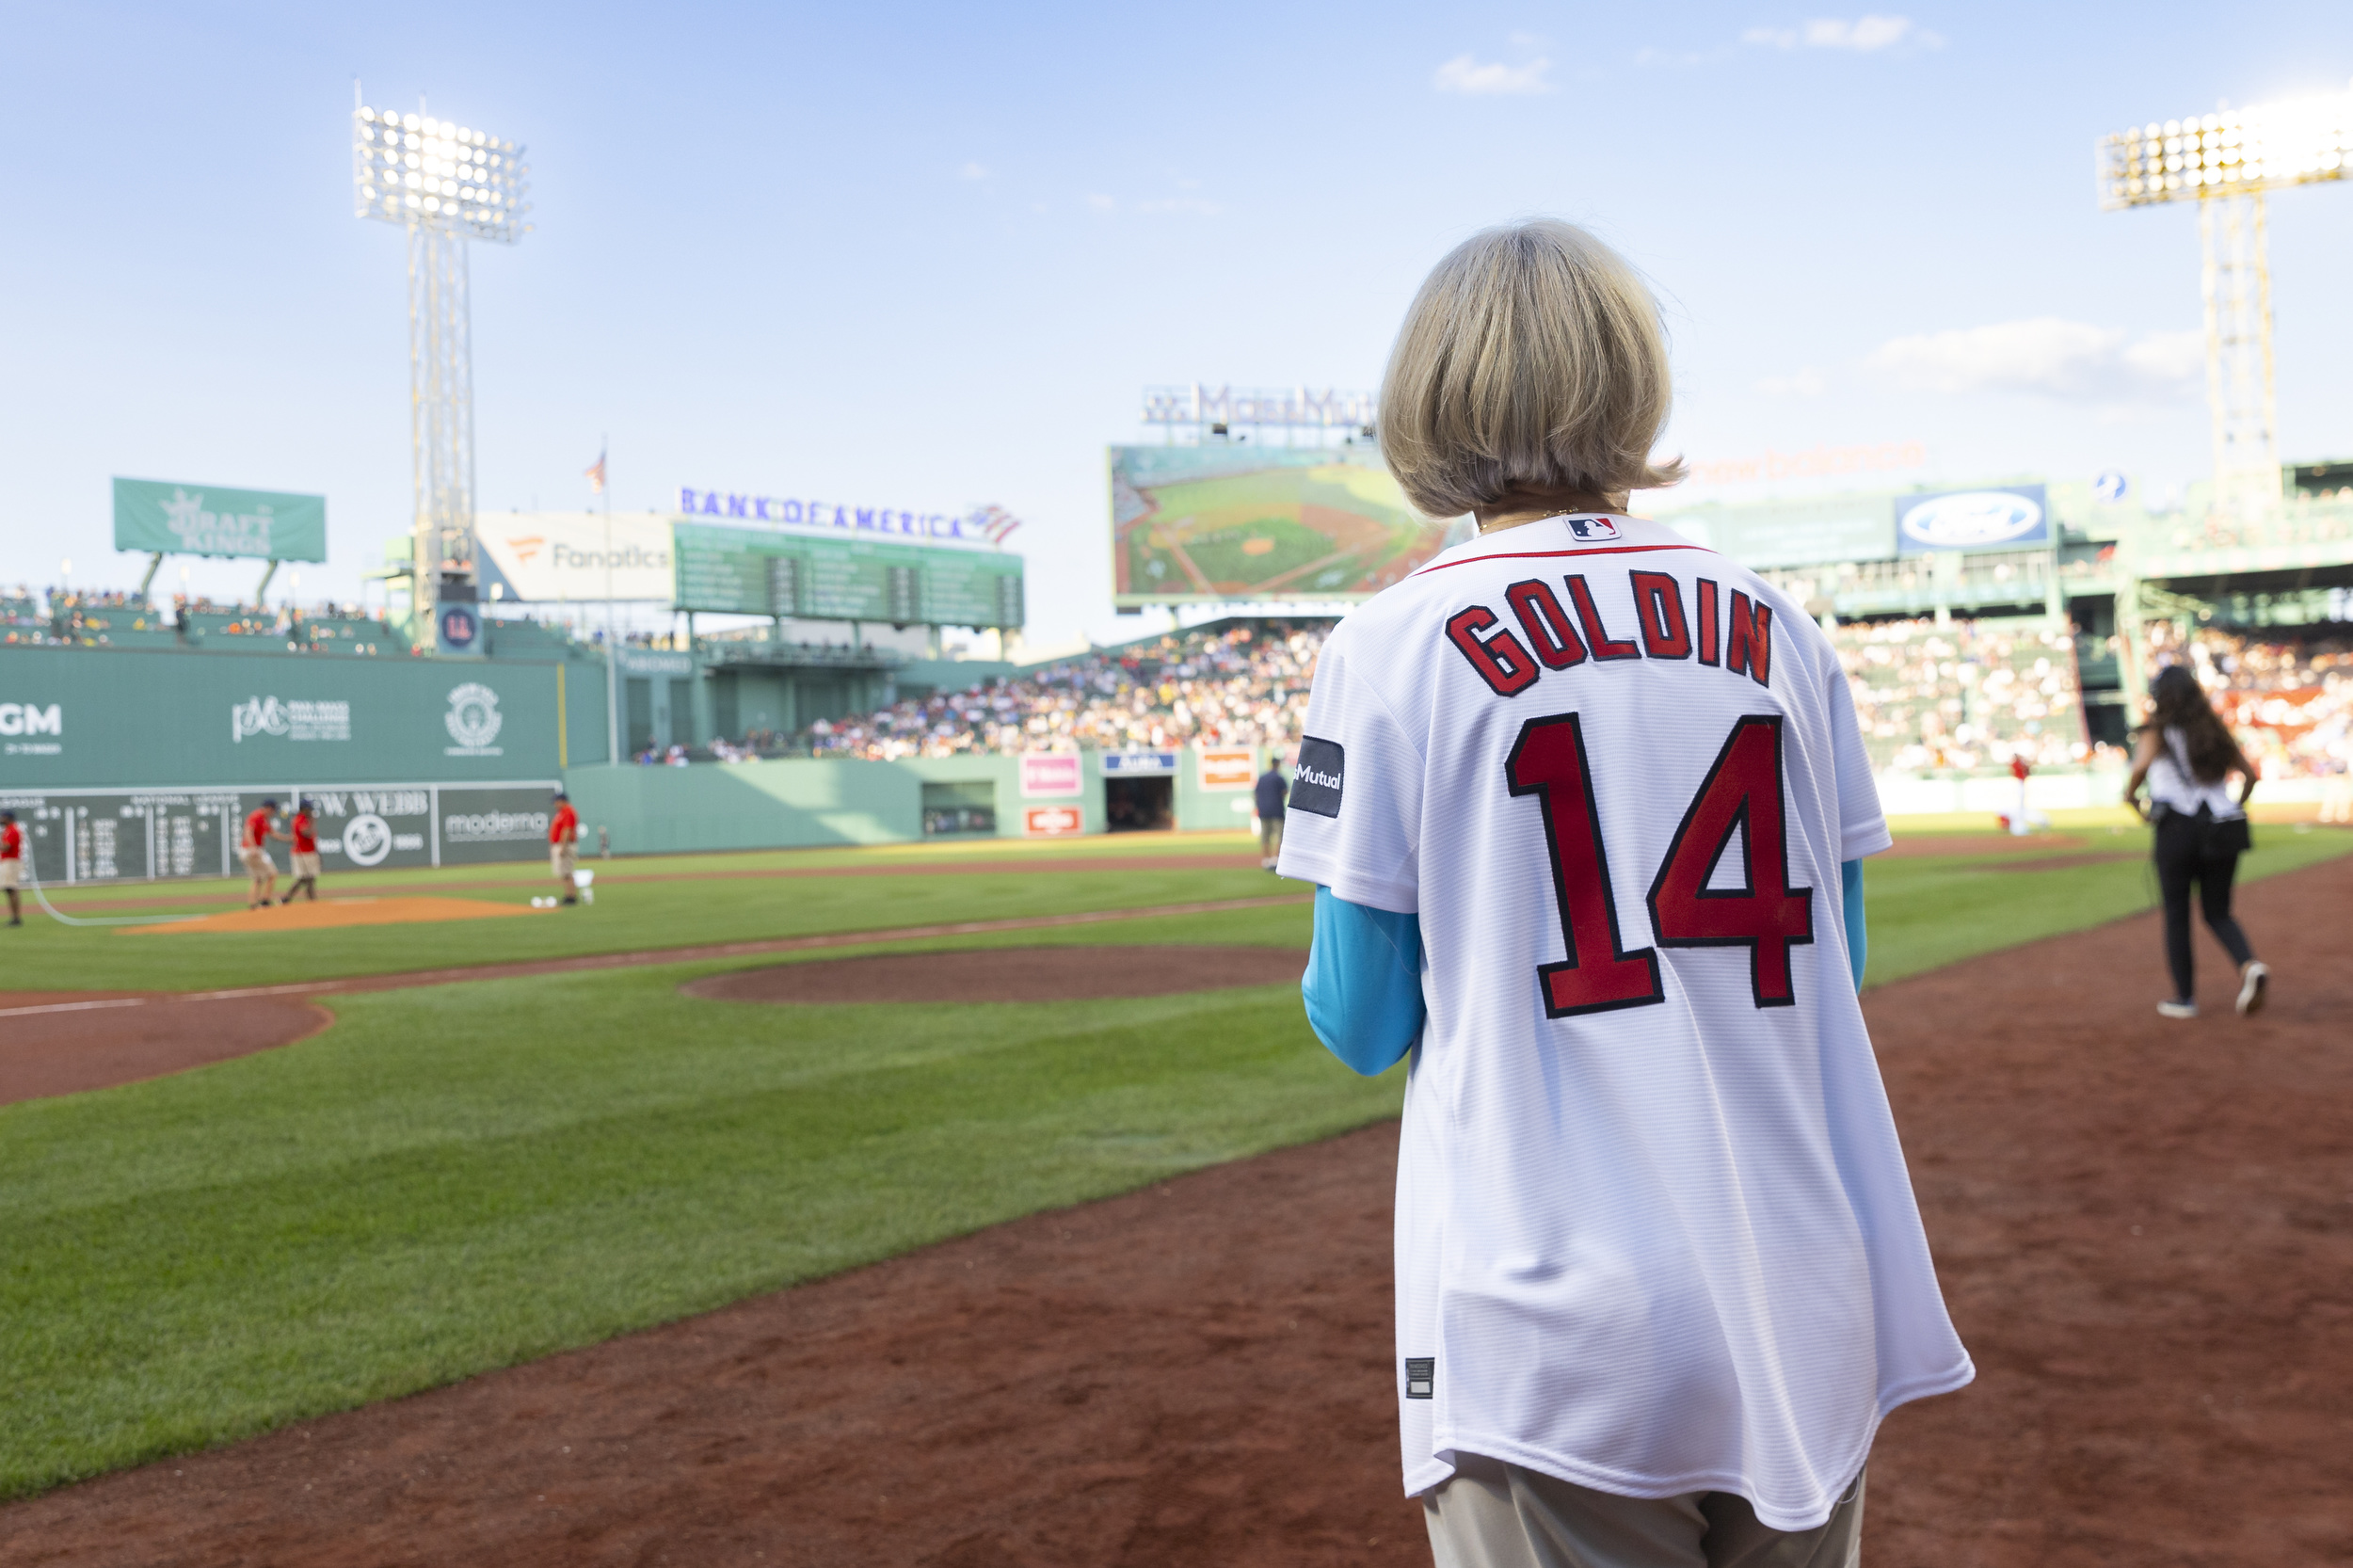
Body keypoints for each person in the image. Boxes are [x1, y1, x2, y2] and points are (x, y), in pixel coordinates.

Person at [1279, 220, 1971, 1568]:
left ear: (1429, 399)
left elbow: (1358, 1021)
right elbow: (1842, 960)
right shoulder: (1777, 621)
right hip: (1795, 1289)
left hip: (1553, 1321)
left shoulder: (1389, 641)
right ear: (1632, 384)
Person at [2122, 664, 2268, 1019]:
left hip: (2177, 827)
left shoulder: (2156, 731)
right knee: (2218, 912)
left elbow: (2139, 771)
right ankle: (2249, 965)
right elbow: (2249, 776)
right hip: (2222, 825)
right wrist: (2232, 805)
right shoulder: (2215, 729)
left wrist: (2132, 802)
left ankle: (2184, 999)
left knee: (2177, 915)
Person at [240, 798, 284, 909]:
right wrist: (253, 847)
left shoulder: (264, 819)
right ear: (269, 808)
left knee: (258, 878)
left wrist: (289, 838)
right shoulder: (256, 816)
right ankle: (265, 901)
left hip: (253, 850)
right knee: (272, 874)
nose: (274, 812)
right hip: (252, 850)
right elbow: (248, 831)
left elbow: (273, 834)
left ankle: (254, 904)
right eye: (273, 810)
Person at [282, 797, 322, 904]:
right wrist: (313, 822)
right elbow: (306, 832)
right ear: (304, 809)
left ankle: (287, 898)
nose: (311, 810)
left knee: (307, 878)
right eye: (309, 808)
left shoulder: (305, 819)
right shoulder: (300, 819)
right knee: (306, 878)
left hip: (308, 851)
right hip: (302, 852)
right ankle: (311, 901)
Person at [1254, 754, 1289, 870]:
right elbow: (1284, 792)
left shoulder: (1263, 778)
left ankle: (1266, 860)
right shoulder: (1279, 778)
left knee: (1265, 837)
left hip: (1264, 811)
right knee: (1279, 836)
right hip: (1276, 810)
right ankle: (1275, 860)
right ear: (1277, 764)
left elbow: (1256, 794)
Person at [550, 790, 581, 905]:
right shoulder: (562, 812)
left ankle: (571, 897)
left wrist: (563, 846)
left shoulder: (568, 811)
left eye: (556, 802)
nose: (554, 804)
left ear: (562, 801)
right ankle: (569, 895)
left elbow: (567, 830)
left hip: (566, 845)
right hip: (560, 844)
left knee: (567, 872)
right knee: (564, 872)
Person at [1, 809, 23, 926]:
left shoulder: (12, 830)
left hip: (11, 862)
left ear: (7, 818)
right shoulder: (9, 830)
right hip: (8, 862)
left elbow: (6, 847)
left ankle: (16, 918)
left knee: (11, 888)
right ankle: (15, 917)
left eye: (2, 817)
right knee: (9, 889)